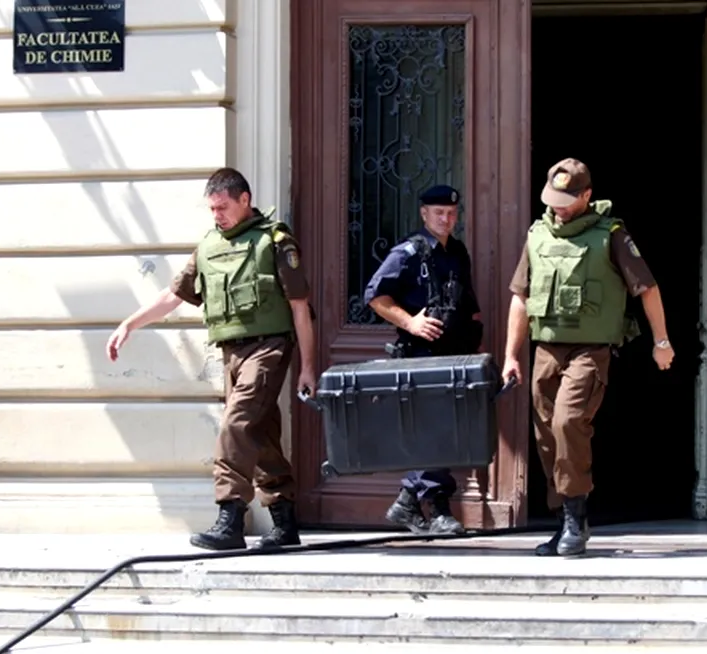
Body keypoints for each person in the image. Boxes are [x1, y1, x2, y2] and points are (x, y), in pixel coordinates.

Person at [105, 167, 318, 551]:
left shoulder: (273, 241)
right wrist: (130, 323)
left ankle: (230, 518)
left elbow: (300, 307)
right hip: (231, 352)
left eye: (223, 207)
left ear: (244, 200)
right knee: (259, 434)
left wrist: (307, 368)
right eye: (212, 209)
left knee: (236, 424)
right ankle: (284, 522)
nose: (217, 215)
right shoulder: (208, 247)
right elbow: (173, 295)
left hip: (268, 348)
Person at [501, 158, 675, 557]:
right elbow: (520, 297)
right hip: (547, 349)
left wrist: (661, 341)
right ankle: (565, 520)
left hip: (590, 349)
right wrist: (511, 355)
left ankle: (576, 518)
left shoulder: (610, 235)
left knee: (568, 422)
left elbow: (647, 288)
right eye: (553, 200)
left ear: (586, 196)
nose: (558, 208)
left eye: (566, 201)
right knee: (546, 435)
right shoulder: (538, 235)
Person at [364, 184, 483, 535]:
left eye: (451, 213)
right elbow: (375, 296)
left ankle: (407, 503)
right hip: (421, 355)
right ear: (424, 214)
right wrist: (411, 323)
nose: (446, 219)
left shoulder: (457, 252)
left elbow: (467, 303)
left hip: (454, 354)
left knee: (446, 430)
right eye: (439, 213)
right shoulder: (408, 252)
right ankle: (438, 509)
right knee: (434, 431)